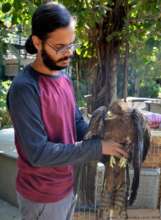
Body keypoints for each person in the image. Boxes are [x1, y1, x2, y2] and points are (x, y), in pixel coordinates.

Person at [7, 2, 127, 220]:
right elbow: (38, 154)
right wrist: (96, 147)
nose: (68, 53)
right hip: (41, 195)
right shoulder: (25, 89)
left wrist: (107, 142)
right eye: (60, 47)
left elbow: (76, 123)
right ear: (37, 42)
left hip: (66, 185)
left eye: (71, 45)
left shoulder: (63, 77)